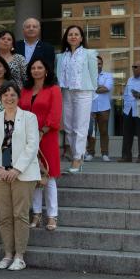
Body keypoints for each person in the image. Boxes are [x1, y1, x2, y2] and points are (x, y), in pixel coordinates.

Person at [0, 81, 41, 272]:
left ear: (19, 97)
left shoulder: (29, 118)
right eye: (5, 95)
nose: (9, 98)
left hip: (23, 174)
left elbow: (32, 145)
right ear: (0, 98)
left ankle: (20, 256)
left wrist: (16, 169)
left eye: (12, 95)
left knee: (20, 215)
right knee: (4, 216)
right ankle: (8, 254)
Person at [19, 59, 62, 231]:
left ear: (46, 70)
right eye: (33, 68)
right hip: (28, 139)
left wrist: (42, 131)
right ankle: (36, 214)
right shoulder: (25, 90)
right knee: (33, 176)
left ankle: (52, 216)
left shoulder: (54, 89)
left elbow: (55, 113)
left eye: (40, 67)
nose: (36, 70)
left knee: (48, 176)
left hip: (47, 137)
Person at [55, 25, 98, 173]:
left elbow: (94, 76)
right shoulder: (60, 56)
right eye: (70, 34)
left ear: (81, 38)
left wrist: (92, 93)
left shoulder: (89, 53)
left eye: (76, 34)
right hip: (66, 92)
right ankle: (77, 156)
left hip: (84, 92)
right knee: (68, 126)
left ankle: (77, 158)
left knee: (81, 126)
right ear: (66, 38)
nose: (73, 37)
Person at [121, 61, 140, 163]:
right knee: (127, 134)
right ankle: (126, 156)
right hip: (128, 110)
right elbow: (126, 94)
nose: (133, 69)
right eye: (132, 67)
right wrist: (124, 107)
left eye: (135, 67)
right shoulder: (130, 79)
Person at [87, 56, 113, 162]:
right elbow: (85, 89)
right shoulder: (87, 76)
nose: (97, 65)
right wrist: (98, 87)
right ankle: (91, 153)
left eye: (99, 63)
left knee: (104, 131)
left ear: (102, 64)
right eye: (95, 63)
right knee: (91, 131)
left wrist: (93, 87)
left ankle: (105, 153)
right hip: (90, 108)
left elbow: (106, 88)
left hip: (104, 107)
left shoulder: (108, 75)